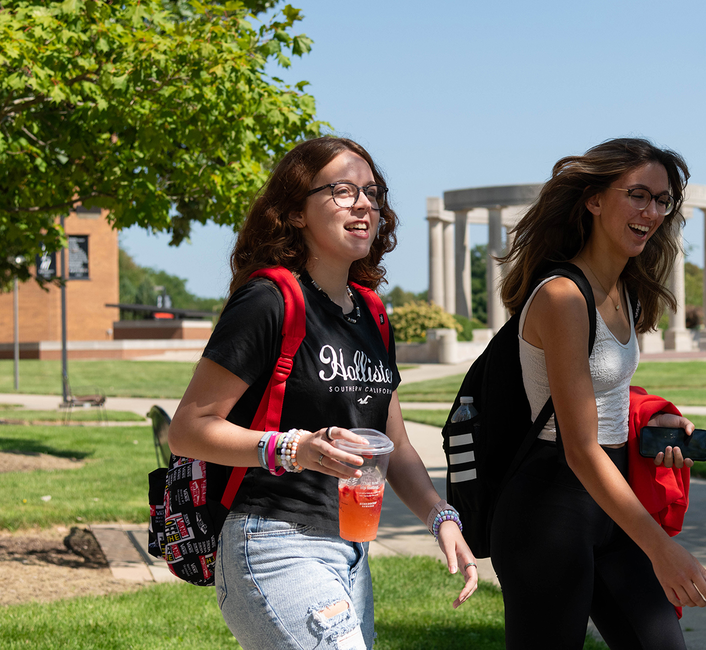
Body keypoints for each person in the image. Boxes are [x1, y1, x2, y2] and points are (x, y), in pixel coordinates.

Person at [168, 136, 478, 650]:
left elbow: (394, 446)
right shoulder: (267, 300)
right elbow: (188, 429)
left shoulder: (373, 314)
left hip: (350, 549)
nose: (363, 204)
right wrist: (294, 448)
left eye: (372, 193)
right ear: (294, 213)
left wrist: (440, 517)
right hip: (271, 540)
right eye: (341, 190)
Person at [490, 137, 706, 649]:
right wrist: (661, 549)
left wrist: (650, 419)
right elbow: (579, 447)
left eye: (662, 200)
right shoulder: (562, 296)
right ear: (593, 199)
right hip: (548, 509)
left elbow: (605, 391)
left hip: (610, 501)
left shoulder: (626, 290)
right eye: (637, 194)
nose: (651, 211)